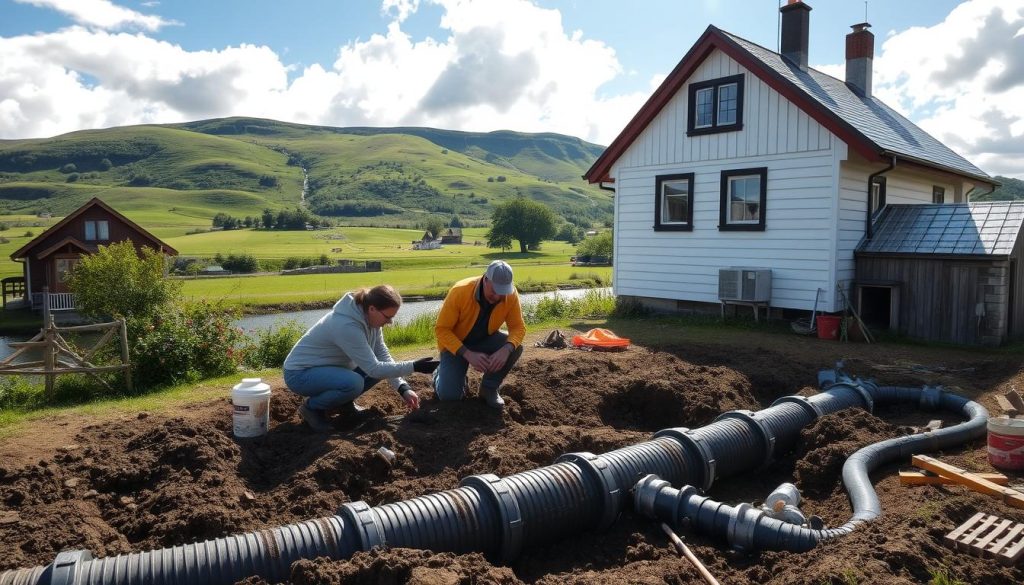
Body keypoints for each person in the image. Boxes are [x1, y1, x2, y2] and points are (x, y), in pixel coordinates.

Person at [283, 284, 439, 431]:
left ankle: (344, 404)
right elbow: (374, 369)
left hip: (329, 368)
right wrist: (414, 366)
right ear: (372, 309)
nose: (390, 322)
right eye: (387, 317)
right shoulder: (346, 325)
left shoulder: (372, 321)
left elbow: (383, 356)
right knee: (354, 382)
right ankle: (312, 408)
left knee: (380, 371)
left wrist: (403, 388)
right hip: (300, 374)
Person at [433, 260, 525, 409]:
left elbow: (518, 327)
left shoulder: (510, 295)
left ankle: (488, 388)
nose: (497, 296)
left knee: (515, 346)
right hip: (456, 346)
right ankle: (439, 373)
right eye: (494, 290)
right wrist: (467, 353)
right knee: (449, 397)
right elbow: (442, 330)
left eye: (502, 291)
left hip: (485, 340)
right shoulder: (460, 291)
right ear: (485, 279)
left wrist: (506, 349)